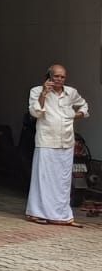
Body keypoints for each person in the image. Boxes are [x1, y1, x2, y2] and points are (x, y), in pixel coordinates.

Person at [26, 63, 89, 226]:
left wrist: (77, 114)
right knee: (43, 179)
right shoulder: (36, 91)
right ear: (49, 77)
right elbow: (35, 112)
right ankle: (36, 213)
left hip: (66, 141)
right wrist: (44, 94)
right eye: (56, 76)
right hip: (46, 140)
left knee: (63, 180)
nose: (60, 79)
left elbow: (84, 104)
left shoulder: (71, 92)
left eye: (62, 76)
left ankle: (62, 216)